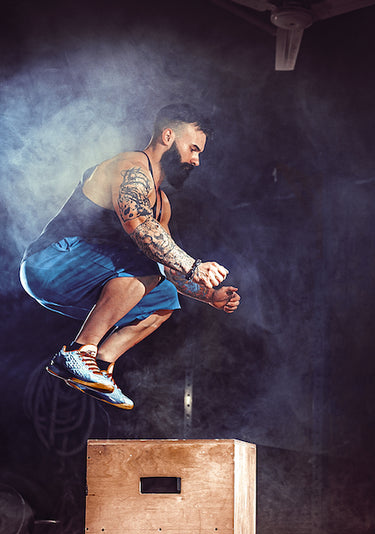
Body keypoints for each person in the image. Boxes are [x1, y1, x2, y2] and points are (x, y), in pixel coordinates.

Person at [19, 104, 240, 410]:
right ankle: (78, 352)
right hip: (49, 262)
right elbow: (139, 225)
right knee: (147, 263)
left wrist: (210, 296)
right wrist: (194, 266)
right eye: (193, 149)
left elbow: (168, 265)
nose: (196, 160)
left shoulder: (162, 204)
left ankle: (99, 365)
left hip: (80, 280)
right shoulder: (131, 166)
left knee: (164, 298)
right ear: (168, 136)